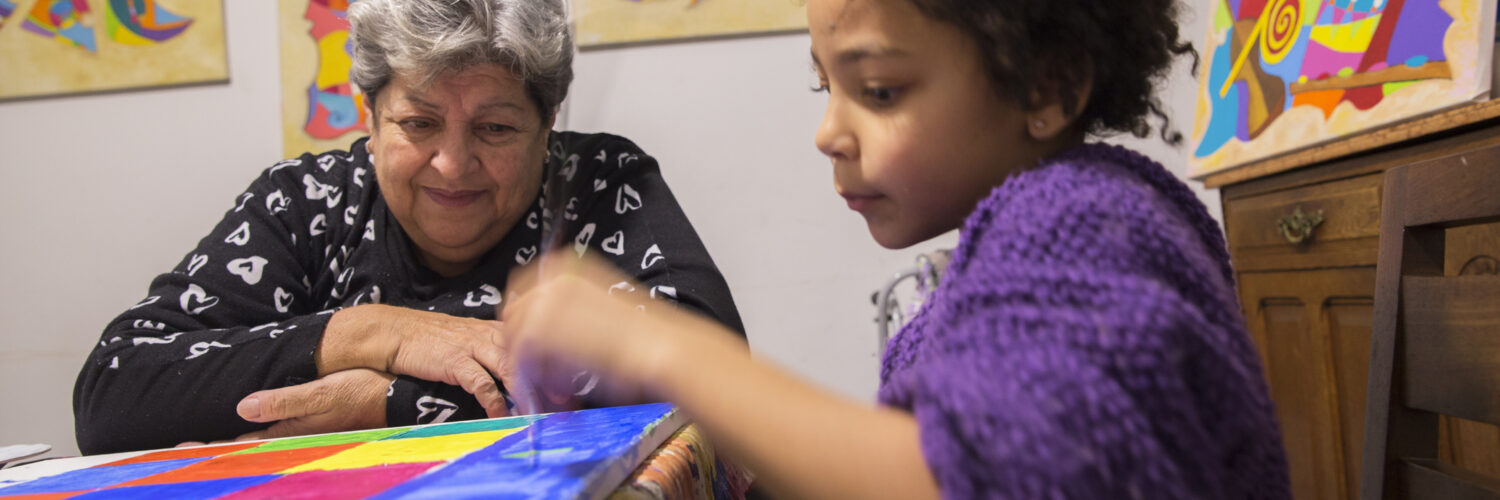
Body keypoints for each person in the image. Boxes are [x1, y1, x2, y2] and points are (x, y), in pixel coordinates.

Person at [500, 0, 1292, 497]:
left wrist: (659, 346)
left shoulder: (1088, 225)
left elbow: (972, 477)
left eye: (878, 90)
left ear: (1048, 87)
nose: (828, 132)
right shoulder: (1036, 230)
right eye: (826, 87)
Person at [72, 0, 744, 455]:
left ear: (549, 126)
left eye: (496, 128)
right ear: (368, 115)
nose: (452, 164)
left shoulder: (601, 181)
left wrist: (387, 402)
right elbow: (113, 392)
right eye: (418, 123)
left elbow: (714, 365)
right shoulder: (304, 204)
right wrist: (368, 332)